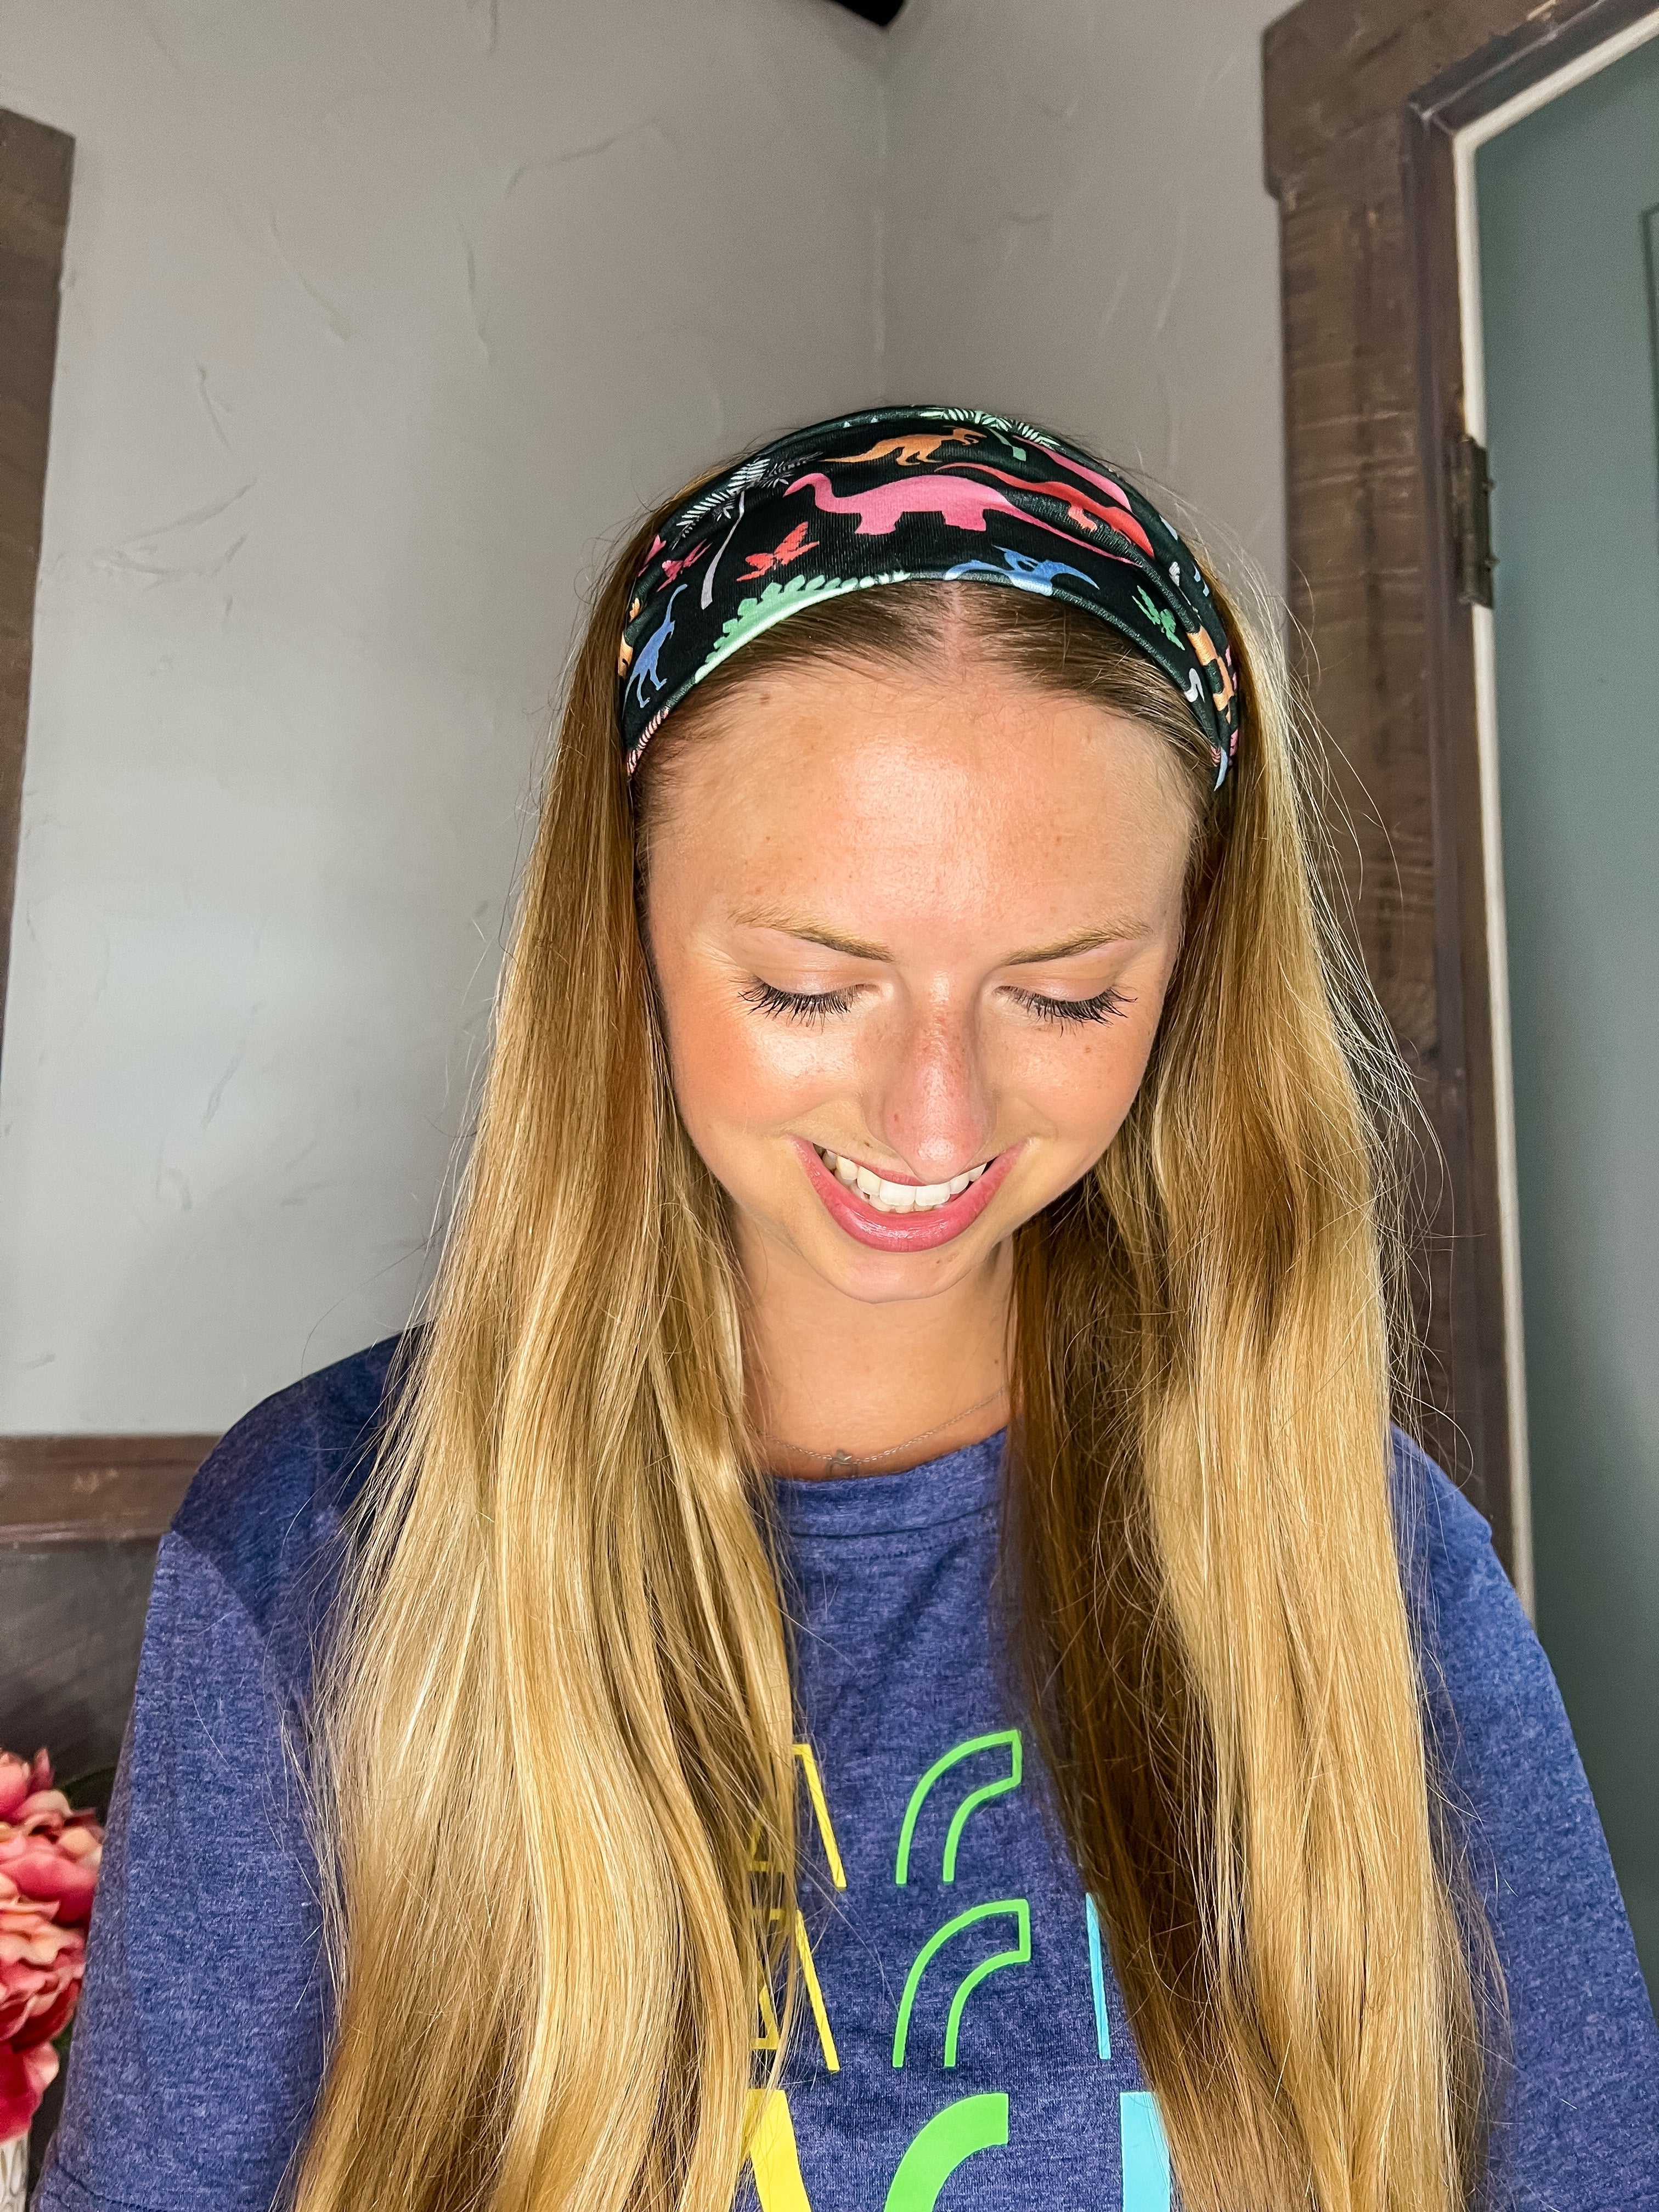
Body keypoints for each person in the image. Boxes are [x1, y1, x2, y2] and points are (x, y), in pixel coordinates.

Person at [33, 409, 1657, 2212]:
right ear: (626, 926)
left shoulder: (1364, 1562)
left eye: (1065, 996)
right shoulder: (324, 1541)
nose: (934, 1126)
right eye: (813, 987)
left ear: (1192, 969)